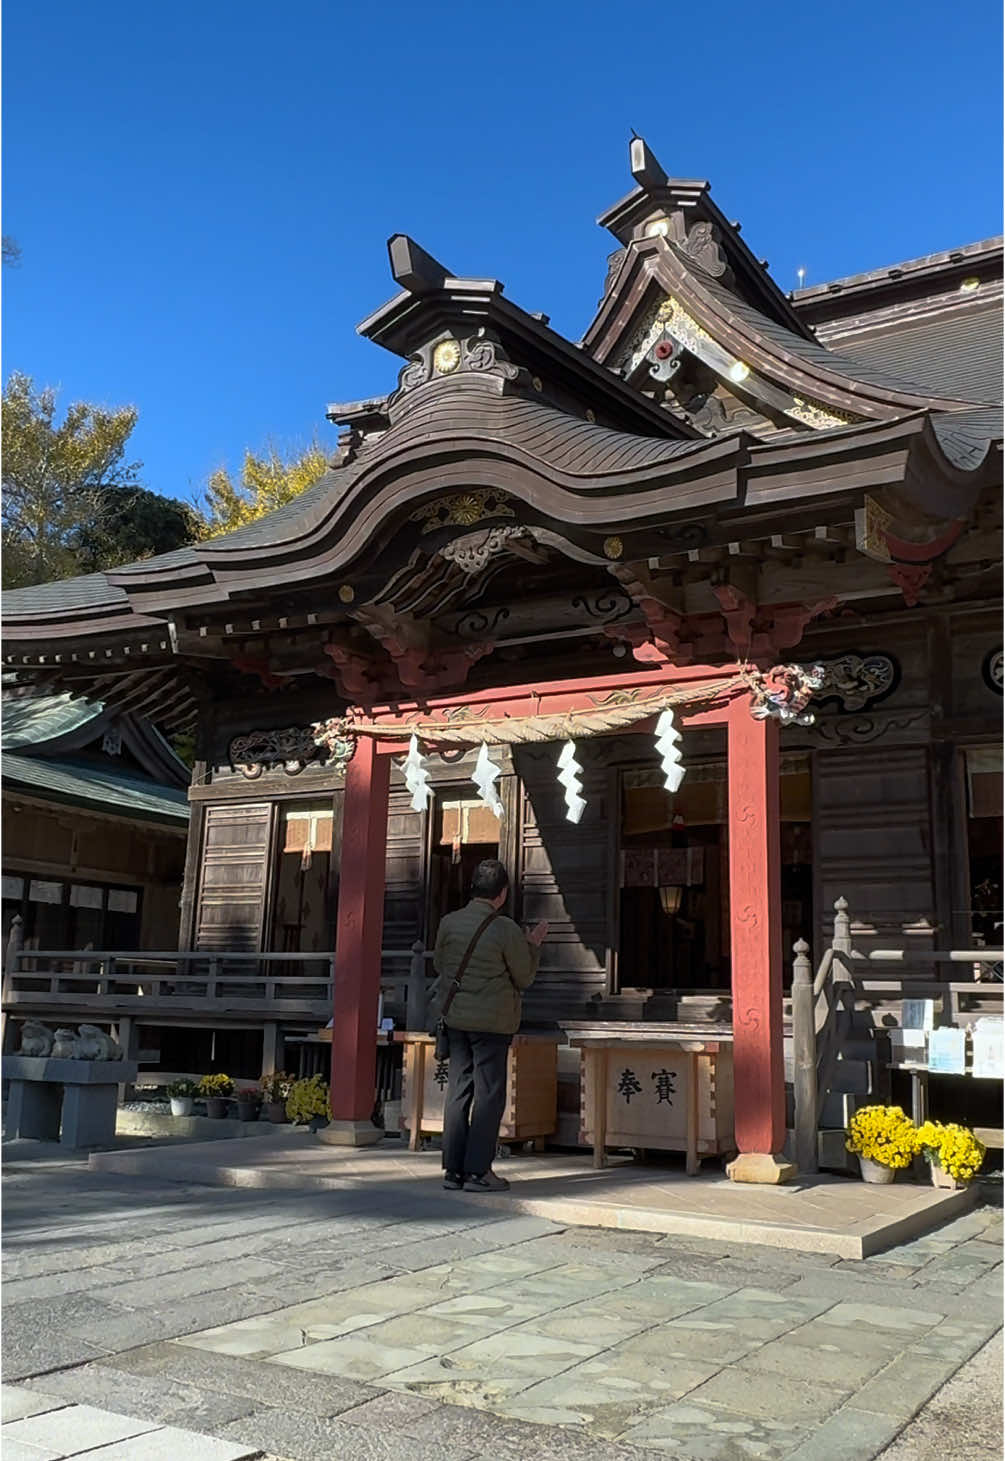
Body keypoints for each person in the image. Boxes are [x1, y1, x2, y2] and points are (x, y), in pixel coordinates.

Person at [432, 858, 547, 1192]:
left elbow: (441, 964)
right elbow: (523, 977)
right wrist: (533, 945)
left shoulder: (448, 923)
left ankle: (452, 1170)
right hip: (492, 1024)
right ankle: (479, 1171)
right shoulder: (505, 929)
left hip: (456, 1021)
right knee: (489, 1095)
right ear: (502, 893)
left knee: (458, 1091)